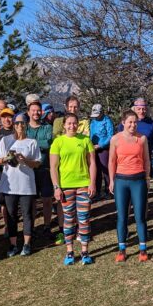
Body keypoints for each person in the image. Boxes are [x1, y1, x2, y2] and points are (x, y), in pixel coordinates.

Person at [50, 113, 97, 265]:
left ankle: (85, 251)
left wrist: (92, 183)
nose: (72, 126)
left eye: (75, 123)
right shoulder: (58, 142)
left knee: (84, 219)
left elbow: (92, 164)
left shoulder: (85, 140)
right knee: (69, 219)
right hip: (65, 186)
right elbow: (53, 167)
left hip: (83, 185)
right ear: (64, 125)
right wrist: (56, 187)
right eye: (69, 123)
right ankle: (70, 252)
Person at [0, 112, 42, 256]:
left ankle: (27, 244)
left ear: (26, 125)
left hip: (26, 184)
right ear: (14, 125)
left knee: (27, 214)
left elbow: (37, 163)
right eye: (17, 123)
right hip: (10, 184)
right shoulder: (5, 140)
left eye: (22, 123)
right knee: (11, 215)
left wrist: (24, 160)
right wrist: (8, 158)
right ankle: (13, 245)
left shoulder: (32, 142)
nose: (20, 126)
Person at [109, 109, 151, 262]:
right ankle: (122, 249)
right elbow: (112, 161)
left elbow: (146, 160)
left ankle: (143, 249)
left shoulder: (142, 139)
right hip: (121, 180)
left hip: (138, 180)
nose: (133, 125)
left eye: (135, 122)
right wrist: (112, 180)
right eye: (130, 122)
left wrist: (147, 177)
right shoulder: (115, 139)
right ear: (123, 123)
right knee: (122, 217)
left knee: (140, 216)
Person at [24, 94, 55, 236]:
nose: (36, 113)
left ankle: (47, 225)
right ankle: (33, 226)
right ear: (28, 112)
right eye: (33, 110)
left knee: (47, 199)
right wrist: (38, 144)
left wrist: (32, 143)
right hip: (29, 169)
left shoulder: (47, 128)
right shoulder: (24, 129)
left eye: (38, 110)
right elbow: (22, 145)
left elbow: (49, 143)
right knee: (32, 201)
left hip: (45, 168)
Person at [89, 103, 115, 200]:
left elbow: (110, 136)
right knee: (96, 170)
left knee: (106, 170)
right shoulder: (93, 122)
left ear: (101, 112)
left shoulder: (107, 121)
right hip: (93, 148)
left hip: (104, 149)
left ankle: (110, 190)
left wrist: (101, 145)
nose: (96, 117)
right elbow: (91, 134)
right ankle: (97, 191)